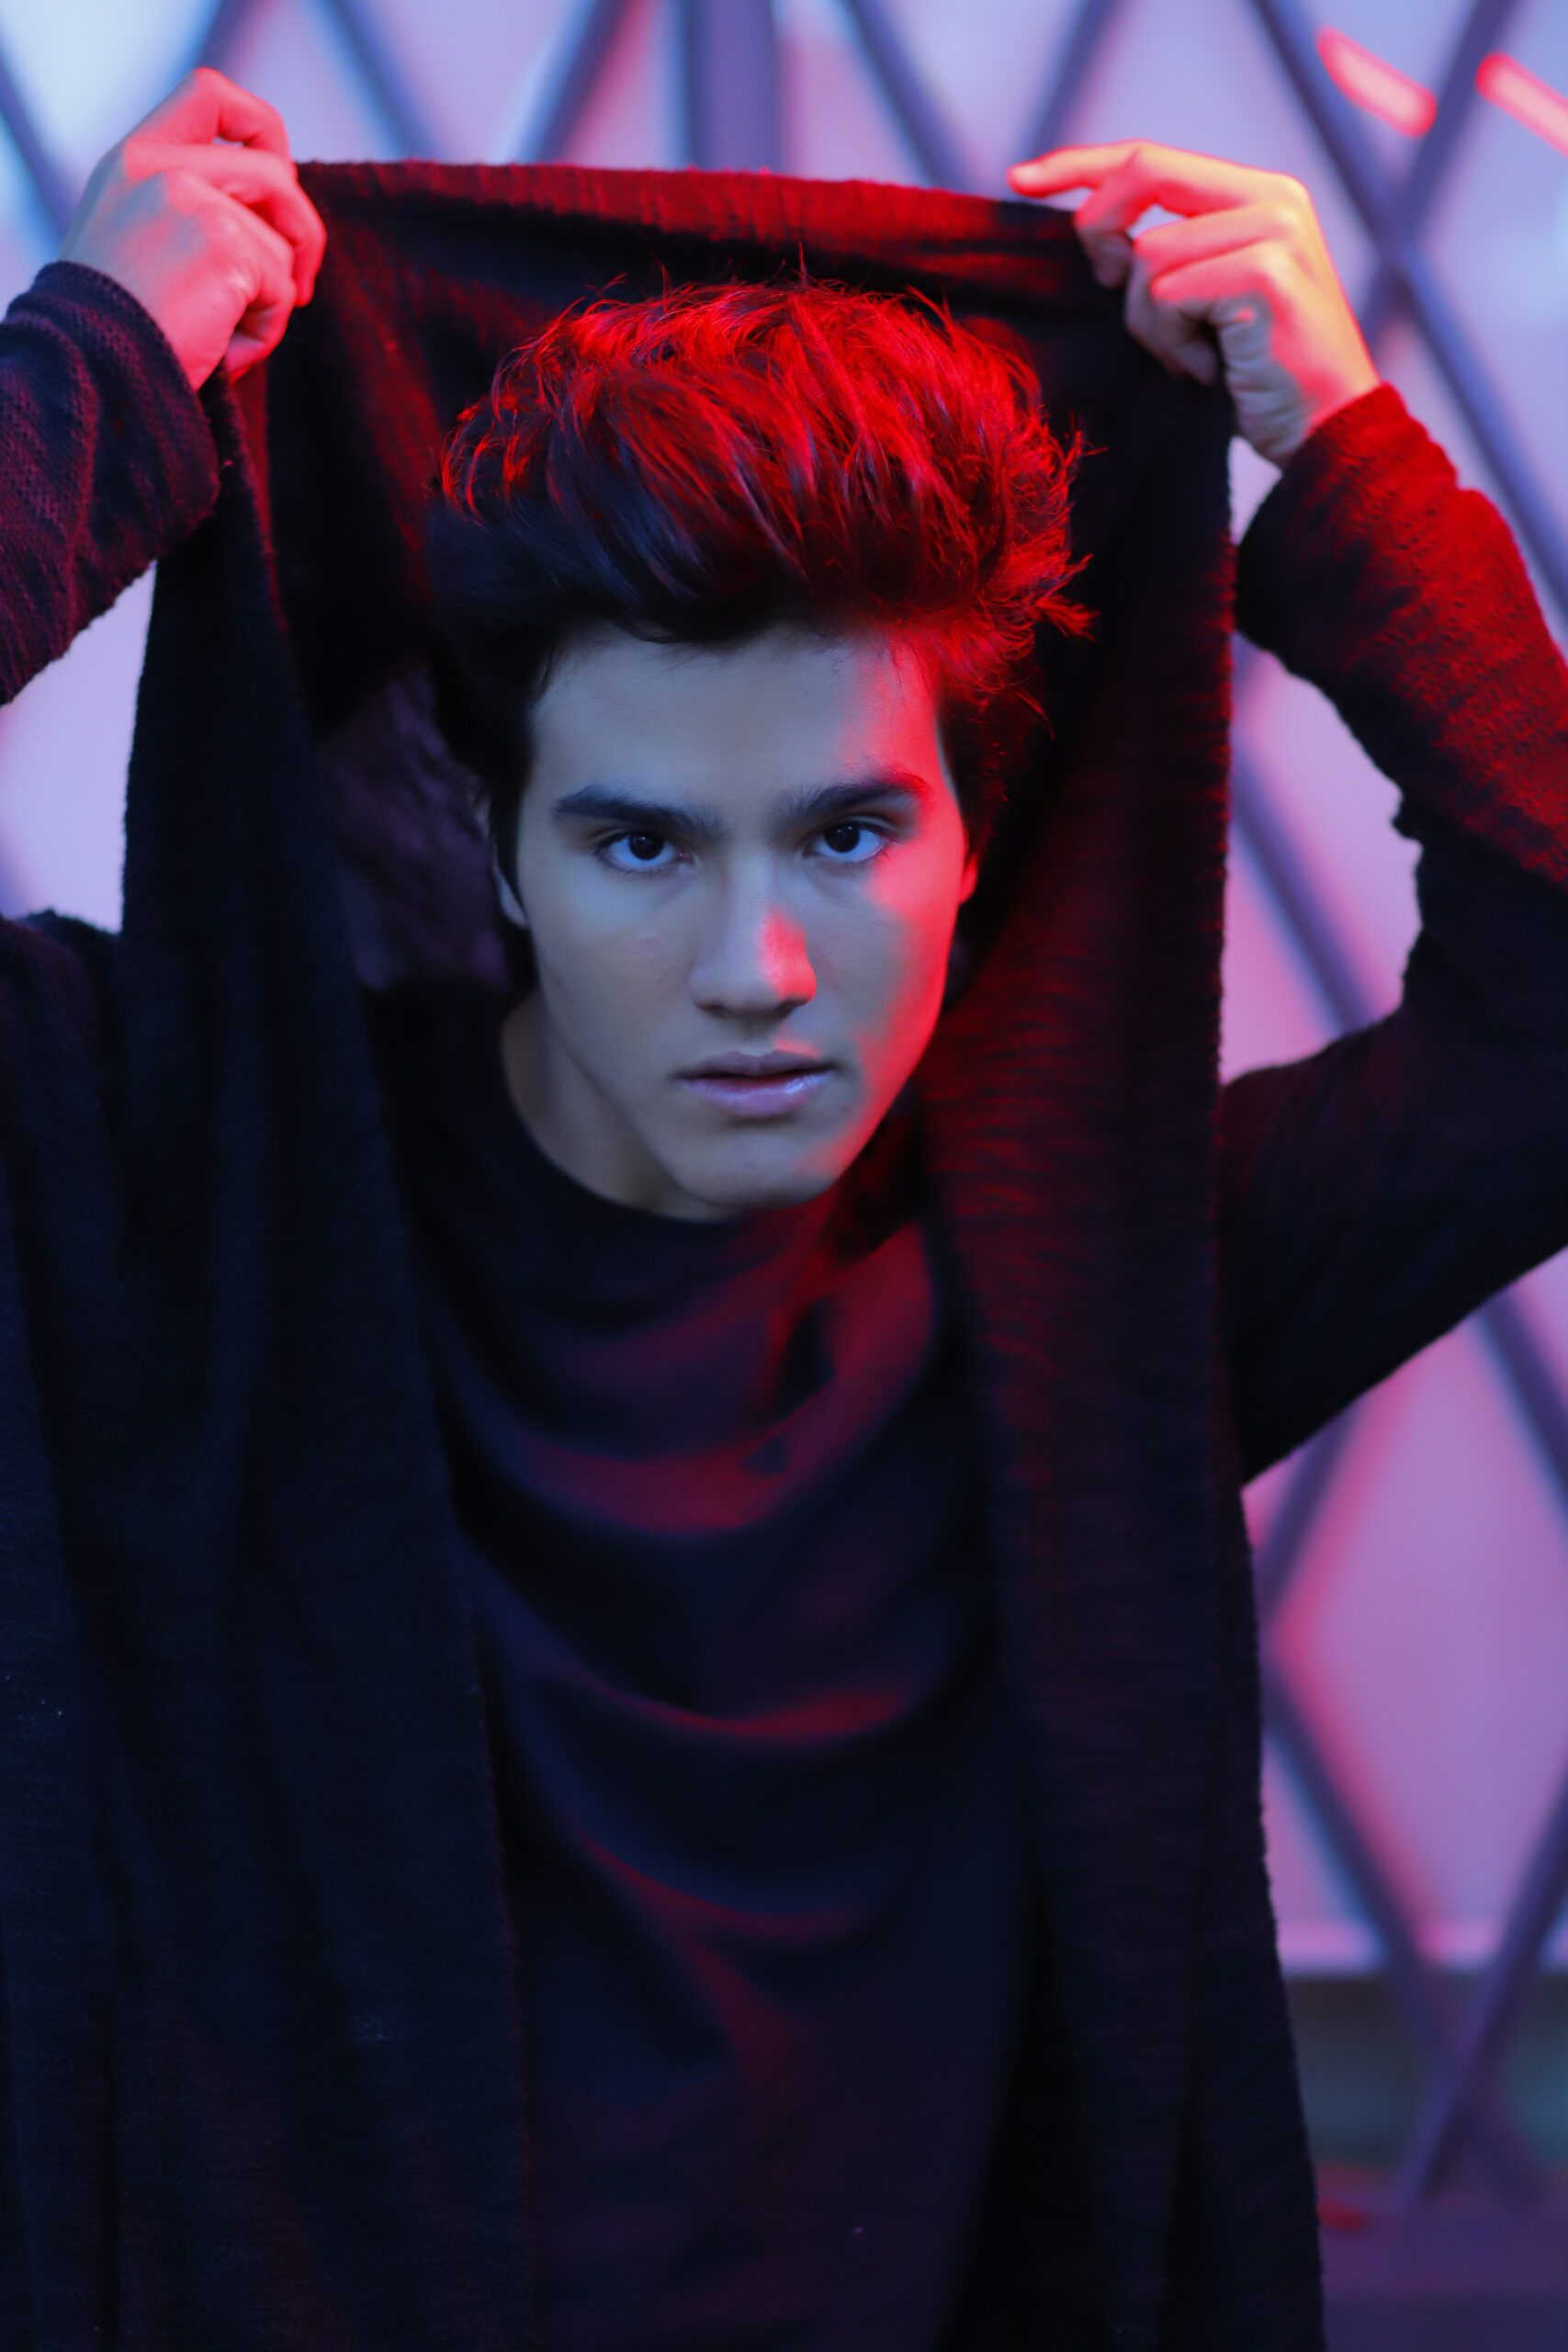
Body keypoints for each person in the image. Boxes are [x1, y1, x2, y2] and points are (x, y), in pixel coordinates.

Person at [6, 61, 1565, 2352]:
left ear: (969, 838)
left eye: (844, 834)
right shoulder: (197, 1199)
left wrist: (1336, 444)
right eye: (641, 842)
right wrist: (85, 387)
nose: (754, 968)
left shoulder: (1094, 1284)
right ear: (494, 841)